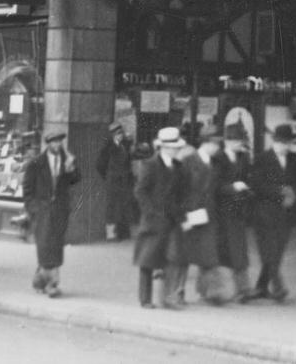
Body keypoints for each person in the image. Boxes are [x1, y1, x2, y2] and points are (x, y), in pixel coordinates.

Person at [249, 123, 296, 301]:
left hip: (285, 213)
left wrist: (294, 191)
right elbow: (257, 185)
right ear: (275, 141)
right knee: (269, 249)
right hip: (265, 211)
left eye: (288, 143)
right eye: (282, 142)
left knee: (277, 250)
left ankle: (261, 286)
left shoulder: (293, 161)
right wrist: (280, 191)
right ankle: (278, 285)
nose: (285, 146)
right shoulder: (262, 159)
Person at [21, 129, 80, 297]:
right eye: (54, 142)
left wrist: (71, 168)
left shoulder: (66, 160)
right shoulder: (36, 163)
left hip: (60, 210)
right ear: (48, 144)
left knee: (55, 244)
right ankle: (52, 283)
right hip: (42, 210)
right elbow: (27, 189)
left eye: (60, 141)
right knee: (45, 244)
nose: (58, 144)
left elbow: (75, 180)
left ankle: (39, 280)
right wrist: (33, 209)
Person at [134, 126, 187, 309]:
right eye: (174, 148)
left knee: (171, 258)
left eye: (178, 147)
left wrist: (181, 216)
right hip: (154, 220)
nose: (177, 150)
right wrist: (150, 212)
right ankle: (145, 298)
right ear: (164, 147)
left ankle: (168, 297)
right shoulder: (150, 165)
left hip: (171, 220)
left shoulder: (178, 167)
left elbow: (180, 194)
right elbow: (141, 191)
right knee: (148, 260)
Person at [181, 127, 224, 304]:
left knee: (208, 253)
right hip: (192, 213)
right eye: (215, 143)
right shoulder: (189, 161)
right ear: (206, 142)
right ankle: (180, 291)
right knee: (186, 255)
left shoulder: (215, 163)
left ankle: (210, 291)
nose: (218, 147)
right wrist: (185, 214)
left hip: (209, 214)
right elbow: (182, 189)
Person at [215, 122, 255, 302]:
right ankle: (217, 290)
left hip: (237, 211)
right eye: (239, 141)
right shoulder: (218, 158)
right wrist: (233, 187)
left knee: (238, 250)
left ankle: (243, 289)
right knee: (221, 252)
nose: (242, 145)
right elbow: (214, 186)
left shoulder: (243, 158)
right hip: (221, 212)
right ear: (229, 141)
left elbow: (247, 177)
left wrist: (248, 189)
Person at [95, 120, 135, 241]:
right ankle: (111, 233)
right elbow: (100, 164)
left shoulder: (124, 146)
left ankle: (123, 232)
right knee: (112, 206)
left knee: (123, 205)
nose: (120, 136)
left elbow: (127, 163)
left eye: (121, 133)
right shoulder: (108, 148)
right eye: (118, 134)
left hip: (124, 181)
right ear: (113, 135)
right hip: (113, 181)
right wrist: (107, 176)